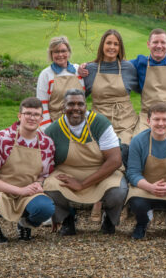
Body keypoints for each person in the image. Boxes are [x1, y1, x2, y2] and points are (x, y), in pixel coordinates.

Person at [43, 89, 127, 236]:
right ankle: (66, 219)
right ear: (63, 107)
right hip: (68, 172)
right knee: (50, 186)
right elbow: (45, 162)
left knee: (118, 191)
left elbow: (115, 160)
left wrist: (82, 184)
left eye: (80, 104)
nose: (76, 108)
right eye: (71, 104)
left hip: (102, 172)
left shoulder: (99, 123)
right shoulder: (54, 130)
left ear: (86, 106)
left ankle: (109, 219)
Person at [0, 97, 55, 243]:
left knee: (46, 208)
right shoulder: (2, 138)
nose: (32, 118)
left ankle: (25, 224)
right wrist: (19, 190)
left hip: (28, 193)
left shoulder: (46, 143)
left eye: (36, 114)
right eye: (27, 113)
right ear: (19, 116)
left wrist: (39, 184)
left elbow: (44, 174)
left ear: (41, 118)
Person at [81, 29, 138, 222]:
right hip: (99, 121)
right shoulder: (90, 69)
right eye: (108, 43)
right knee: (98, 153)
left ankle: (123, 200)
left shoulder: (129, 68)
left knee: (125, 150)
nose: (112, 47)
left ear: (120, 47)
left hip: (125, 120)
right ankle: (98, 198)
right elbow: (78, 93)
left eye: (116, 44)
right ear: (102, 46)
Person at [126, 102, 166, 239]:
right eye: (156, 119)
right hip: (145, 187)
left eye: (165, 119)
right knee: (137, 203)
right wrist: (150, 187)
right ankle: (142, 223)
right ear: (149, 121)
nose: (160, 123)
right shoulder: (138, 141)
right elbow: (132, 173)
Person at [37, 36, 85, 130]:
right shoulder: (46, 75)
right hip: (55, 124)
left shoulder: (77, 71)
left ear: (68, 52)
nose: (60, 55)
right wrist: (47, 129)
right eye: (56, 52)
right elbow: (42, 105)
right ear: (51, 54)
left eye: (63, 51)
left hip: (78, 124)